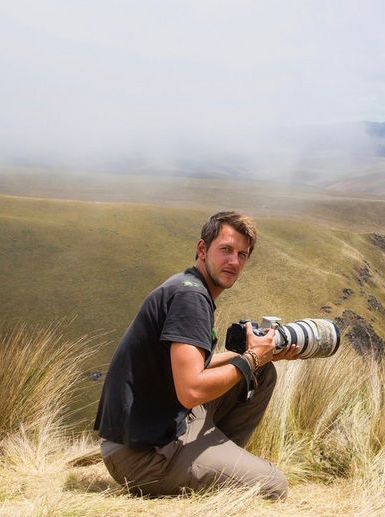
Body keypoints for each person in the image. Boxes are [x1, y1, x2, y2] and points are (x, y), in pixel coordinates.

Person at [94, 211, 298, 498]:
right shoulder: (191, 298)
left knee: (261, 373)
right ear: (202, 249)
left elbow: (194, 366)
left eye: (242, 254)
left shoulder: (187, 285)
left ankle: (220, 459)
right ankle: (217, 468)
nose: (234, 261)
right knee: (273, 485)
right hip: (143, 455)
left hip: (162, 425)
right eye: (226, 250)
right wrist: (250, 357)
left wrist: (261, 357)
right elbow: (191, 390)